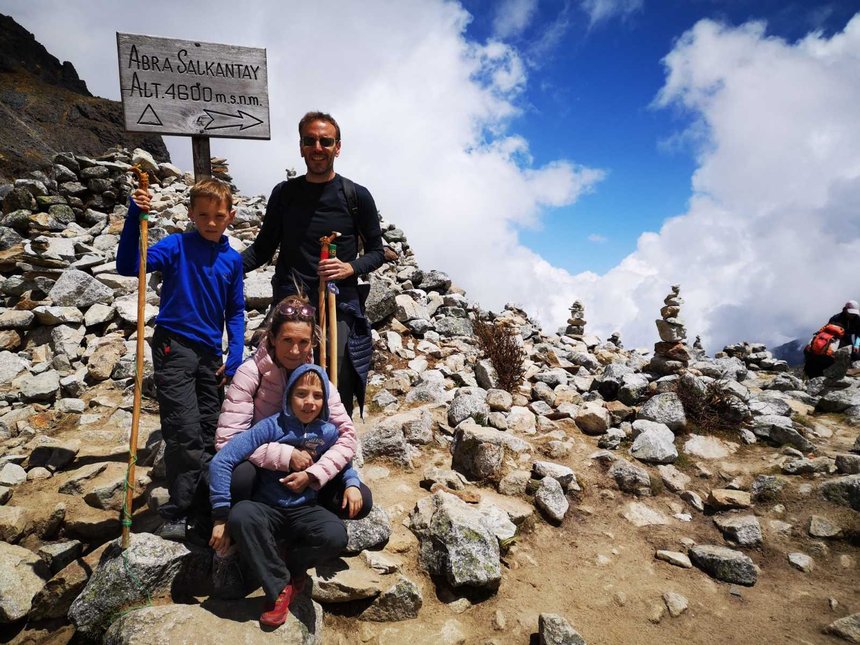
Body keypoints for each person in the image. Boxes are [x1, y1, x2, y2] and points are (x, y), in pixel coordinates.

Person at [116, 178, 244, 540]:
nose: (211, 222)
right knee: (183, 429)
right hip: (173, 345)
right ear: (190, 213)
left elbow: (234, 311)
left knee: (212, 429)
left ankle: (207, 503)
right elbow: (131, 265)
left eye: (219, 216)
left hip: (210, 354)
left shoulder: (232, 260)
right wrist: (134, 216)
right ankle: (179, 509)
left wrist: (235, 353)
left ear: (231, 216)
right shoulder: (176, 246)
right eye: (202, 215)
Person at [241, 111, 385, 417]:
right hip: (291, 301)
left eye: (325, 141)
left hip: (338, 299)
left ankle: (335, 449)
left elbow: (377, 251)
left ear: (337, 147)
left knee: (338, 378)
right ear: (301, 146)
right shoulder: (284, 194)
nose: (317, 147)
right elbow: (263, 248)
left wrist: (350, 268)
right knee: (286, 377)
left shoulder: (356, 196)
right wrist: (220, 268)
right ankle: (287, 449)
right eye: (310, 140)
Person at [209, 363, 350, 627]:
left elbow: (345, 462)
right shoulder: (269, 427)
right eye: (301, 394)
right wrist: (219, 515)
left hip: (304, 508)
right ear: (288, 396)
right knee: (241, 515)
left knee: (336, 535)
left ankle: (294, 566)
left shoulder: (328, 432)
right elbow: (222, 460)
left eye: (317, 396)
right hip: (268, 508)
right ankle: (279, 585)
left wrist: (352, 483)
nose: (309, 403)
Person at [215, 293, 372, 520]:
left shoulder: (316, 379)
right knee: (240, 477)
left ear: (313, 343)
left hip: (306, 469)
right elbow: (228, 441)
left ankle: (303, 527)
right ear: (272, 338)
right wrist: (286, 455)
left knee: (361, 500)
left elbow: (347, 435)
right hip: (262, 466)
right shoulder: (250, 374)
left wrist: (314, 473)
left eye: (303, 342)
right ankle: (237, 525)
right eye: (287, 340)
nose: (295, 351)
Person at [804, 300, 860, 377]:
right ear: (845, 310)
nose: (852, 315)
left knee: (852, 352)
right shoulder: (836, 318)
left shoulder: (857, 319)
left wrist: (857, 344)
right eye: (851, 313)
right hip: (836, 339)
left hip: (843, 339)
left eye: (854, 313)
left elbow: (859, 333)